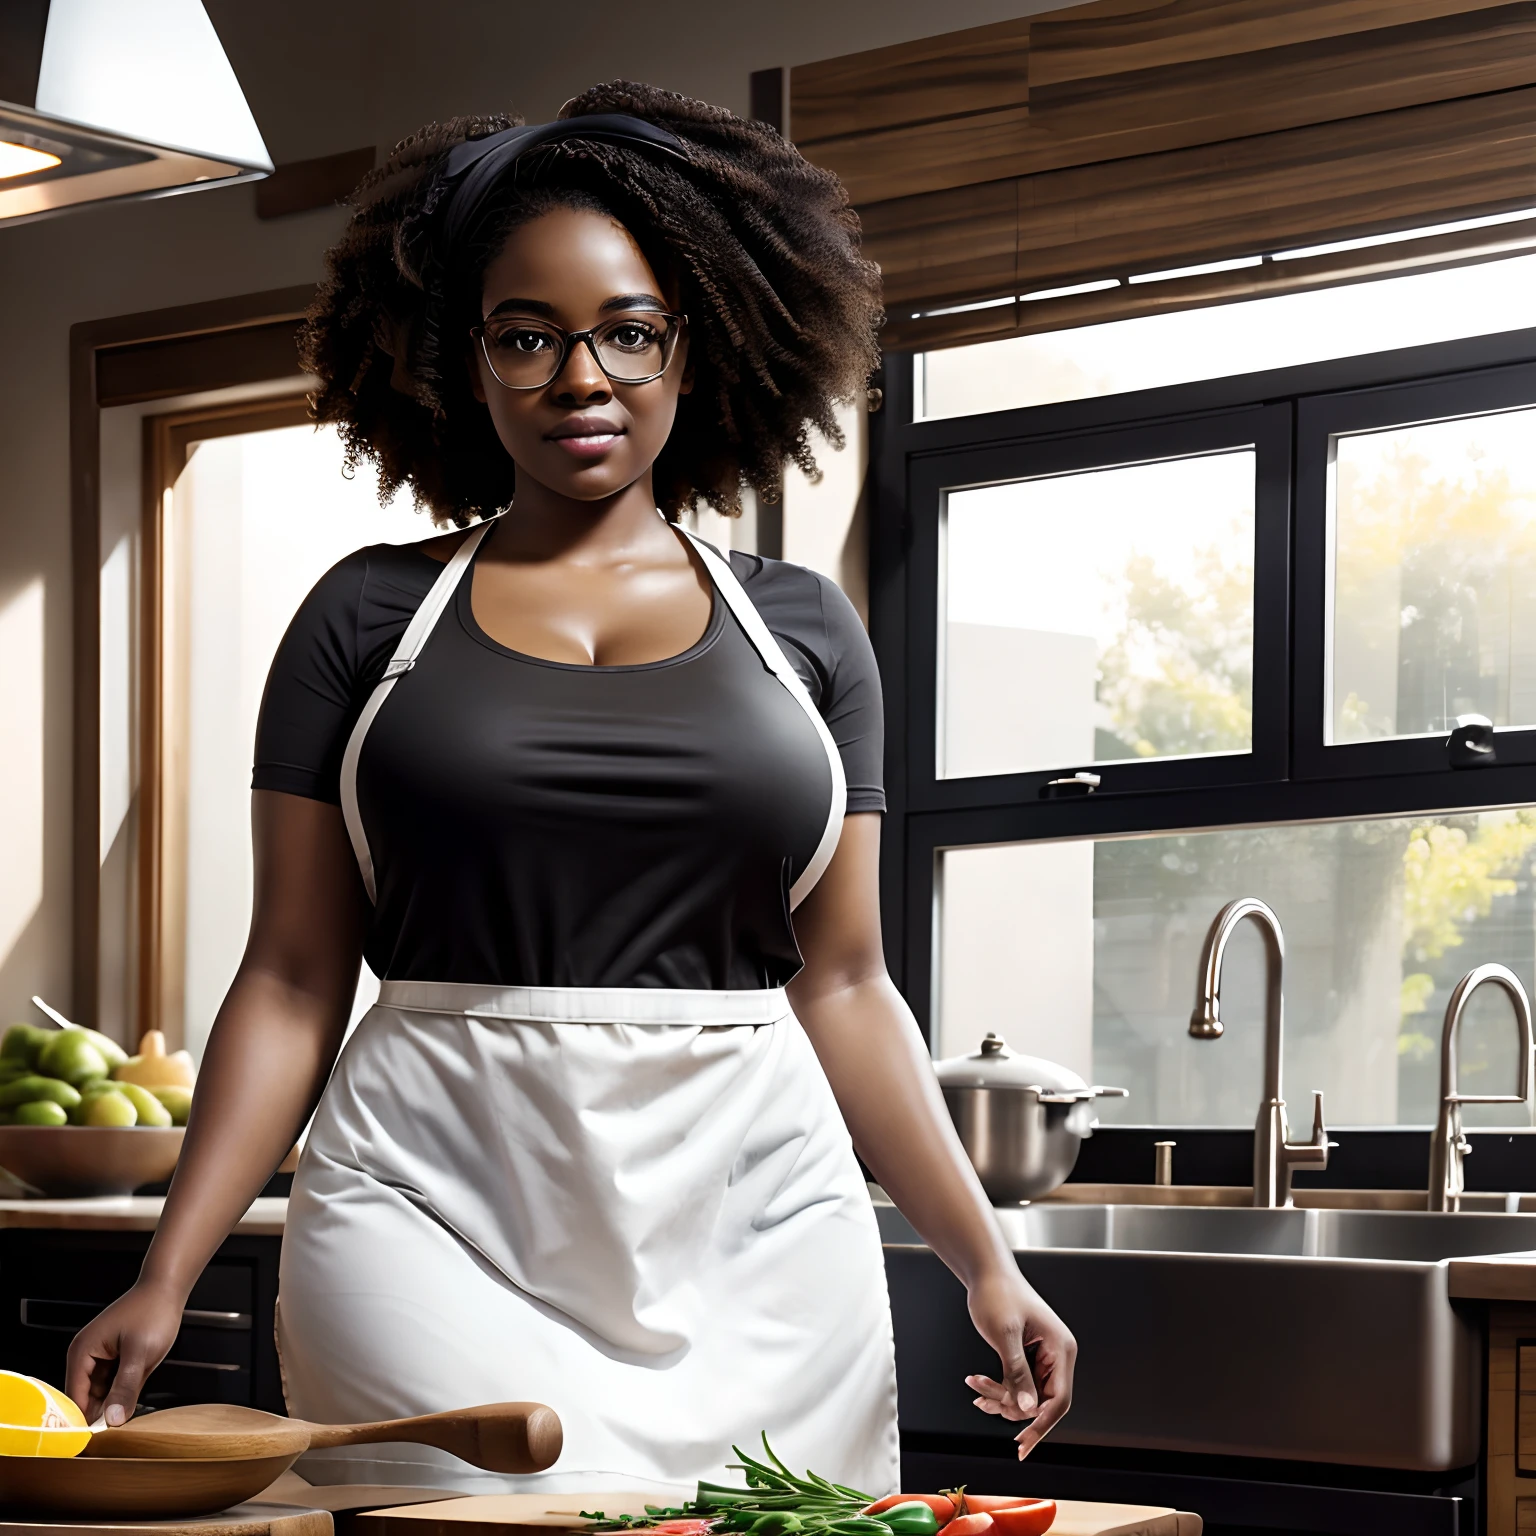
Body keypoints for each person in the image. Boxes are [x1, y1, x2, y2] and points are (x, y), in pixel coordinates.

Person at [68, 81, 1075, 1496]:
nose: (579, 378)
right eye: (526, 336)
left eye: (627, 332)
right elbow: (295, 979)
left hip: (757, 1221)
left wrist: (986, 1260)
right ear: (462, 361)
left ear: (694, 343)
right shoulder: (363, 619)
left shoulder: (805, 630)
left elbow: (844, 984)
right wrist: (165, 1277)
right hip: (429, 1204)